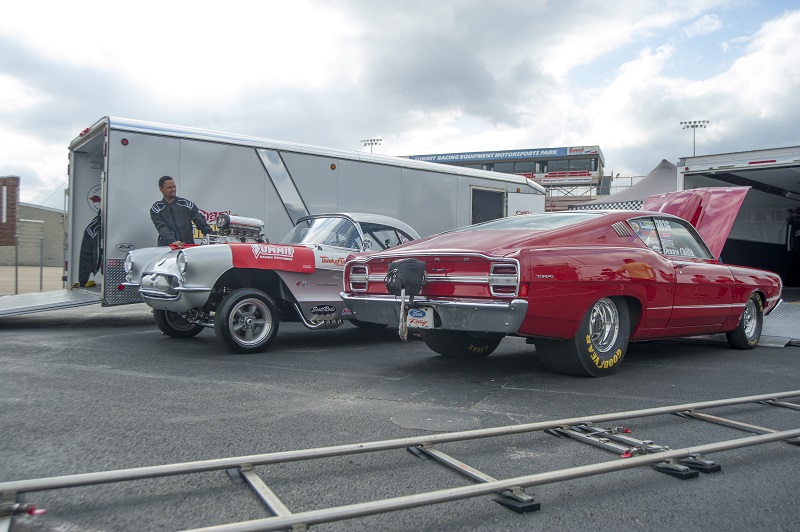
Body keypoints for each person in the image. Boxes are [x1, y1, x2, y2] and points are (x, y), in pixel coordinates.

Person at [150, 176, 214, 247]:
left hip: (187, 247)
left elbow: (201, 223)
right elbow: (162, 228)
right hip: (167, 248)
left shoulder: (187, 204)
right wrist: (173, 241)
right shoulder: (156, 208)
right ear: (161, 189)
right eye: (169, 187)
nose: (173, 189)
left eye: (174, 187)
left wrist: (213, 237)